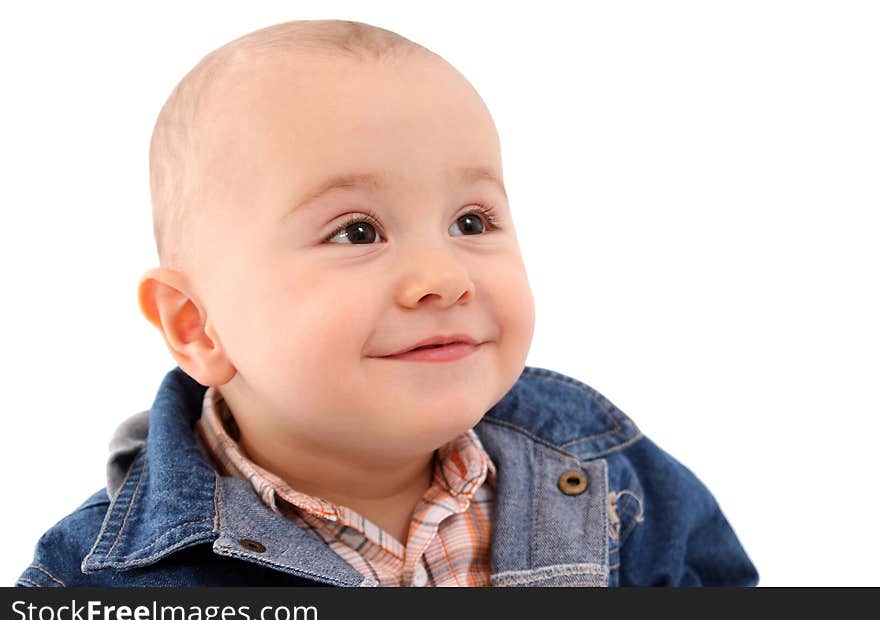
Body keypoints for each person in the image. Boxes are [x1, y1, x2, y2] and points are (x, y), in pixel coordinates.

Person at [16, 19, 758, 587]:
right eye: (357, 231)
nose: (443, 275)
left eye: (472, 222)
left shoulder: (604, 472)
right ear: (196, 324)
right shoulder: (99, 581)